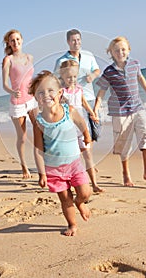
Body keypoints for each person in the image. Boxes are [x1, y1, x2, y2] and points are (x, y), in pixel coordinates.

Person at [28, 70, 91, 236]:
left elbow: (81, 122)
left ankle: (80, 203)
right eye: (41, 92)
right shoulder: (39, 122)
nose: (46, 95)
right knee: (65, 198)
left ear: (60, 92)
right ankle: (72, 224)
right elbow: (38, 149)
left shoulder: (68, 110)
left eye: (50, 90)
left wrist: (86, 135)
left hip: (74, 163)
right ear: (36, 97)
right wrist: (42, 173)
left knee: (85, 193)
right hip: (53, 168)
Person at [93, 36, 146, 187]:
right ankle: (126, 173)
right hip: (120, 113)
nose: (120, 52)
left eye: (123, 49)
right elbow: (102, 91)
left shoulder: (135, 64)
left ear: (128, 50)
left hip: (138, 108)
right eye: (116, 50)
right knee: (124, 145)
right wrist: (96, 107)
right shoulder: (109, 72)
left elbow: (141, 78)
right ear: (111, 53)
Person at [59, 60, 104, 193]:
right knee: (73, 157)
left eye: (74, 76)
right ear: (62, 77)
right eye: (68, 77)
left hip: (82, 126)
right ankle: (71, 182)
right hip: (68, 128)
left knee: (88, 155)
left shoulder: (79, 89)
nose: (72, 79)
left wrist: (92, 114)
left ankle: (94, 184)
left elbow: (84, 103)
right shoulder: (61, 92)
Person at [2, 29, 38, 179]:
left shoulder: (30, 57)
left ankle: (42, 163)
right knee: (22, 137)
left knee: (39, 131)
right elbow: (4, 84)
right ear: (9, 43)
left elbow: (31, 79)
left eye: (17, 39)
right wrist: (12, 91)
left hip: (31, 100)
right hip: (17, 103)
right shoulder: (8, 60)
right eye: (12, 40)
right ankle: (24, 166)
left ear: (22, 40)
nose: (15, 42)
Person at [54, 29, 100, 127]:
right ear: (68, 42)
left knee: (96, 129)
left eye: (78, 39)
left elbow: (97, 70)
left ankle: (89, 142)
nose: (76, 43)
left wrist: (92, 75)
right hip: (74, 100)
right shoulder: (61, 61)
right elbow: (55, 80)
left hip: (90, 97)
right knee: (83, 130)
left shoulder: (88, 55)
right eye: (73, 40)